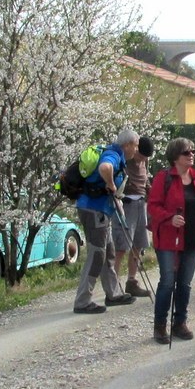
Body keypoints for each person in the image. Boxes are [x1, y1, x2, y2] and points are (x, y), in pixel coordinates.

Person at [147, 138, 195, 345]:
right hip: (169, 238)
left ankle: (180, 323)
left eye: (193, 151)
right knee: (168, 282)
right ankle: (160, 325)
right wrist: (170, 218)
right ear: (175, 156)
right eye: (187, 153)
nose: (191, 155)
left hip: (193, 237)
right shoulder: (164, 178)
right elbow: (153, 206)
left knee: (185, 283)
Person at [72, 130, 140, 313]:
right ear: (127, 145)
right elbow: (105, 168)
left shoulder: (114, 153)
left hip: (98, 210)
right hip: (95, 210)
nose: (136, 149)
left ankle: (114, 294)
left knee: (108, 251)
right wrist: (111, 184)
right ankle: (82, 302)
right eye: (135, 145)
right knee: (97, 255)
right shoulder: (112, 155)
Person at [111, 135, 155, 298]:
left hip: (140, 204)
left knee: (138, 244)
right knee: (122, 246)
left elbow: (145, 178)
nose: (142, 159)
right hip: (126, 204)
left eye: (145, 157)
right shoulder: (124, 159)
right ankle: (113, 284)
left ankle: (132, 281)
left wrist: (150, 189)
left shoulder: (145, 160)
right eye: (141, 156)